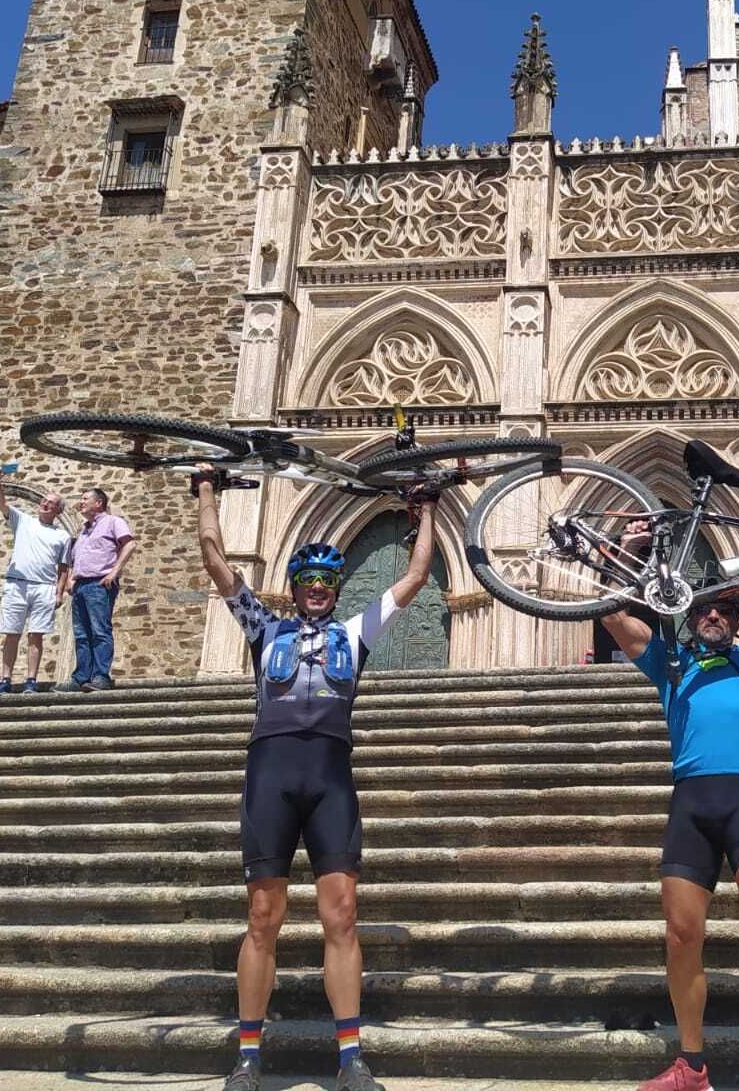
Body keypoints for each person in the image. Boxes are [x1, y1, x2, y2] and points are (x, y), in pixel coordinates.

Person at [194, 464, 438, 1091]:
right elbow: (216, 562)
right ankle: (248, 1056)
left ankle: (350, 1054)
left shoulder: (354, 634)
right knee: (262, 917)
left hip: (330, 776)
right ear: (295, 587)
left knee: (343, 915)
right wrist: (206, 491)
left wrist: (427, 510)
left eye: (329, 582)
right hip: (270, 775)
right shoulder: (264, 629)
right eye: (310, 582)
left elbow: (413, 578)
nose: (320, 590)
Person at [601, 516, 739, 1091]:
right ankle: (692, 1066)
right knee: (680, 934)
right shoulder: (670, 663)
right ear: (689, 616)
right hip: (691, 802)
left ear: (737, 618)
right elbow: (610, 616)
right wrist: (625, 550)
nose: (714, 615)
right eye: (703, 608)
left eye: (724, 608)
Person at [0, 469, 71, 698]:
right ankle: (5, 679)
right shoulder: (22, 520)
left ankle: (31, 680)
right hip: (17, 585)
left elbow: (64, 567)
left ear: (58, 510)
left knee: (36, 635)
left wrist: (59, 593)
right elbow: (0, 503)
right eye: (44, 500)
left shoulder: (62, 536)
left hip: (44, 588)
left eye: (51, 502)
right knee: (11, 633)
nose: (45, 503)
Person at [59, 486, 135, 692]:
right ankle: (81, 677)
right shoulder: (83, 531)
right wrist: (72, 579)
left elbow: (129, 545)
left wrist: (113, 572)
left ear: (98, 503)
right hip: (81, 586)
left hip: (100, 584)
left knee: (100, 631)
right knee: (81, 634)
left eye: (85, 498)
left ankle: (101, 676)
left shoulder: (113, 522)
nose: (81, 502)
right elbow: (77, 558)